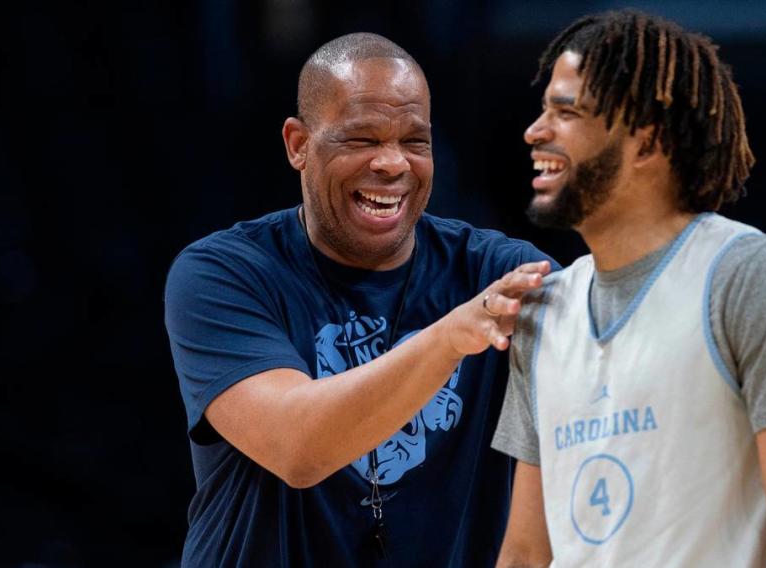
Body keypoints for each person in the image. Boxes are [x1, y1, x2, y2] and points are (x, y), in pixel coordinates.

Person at [164, 33, 555, 566]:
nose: (393, 163)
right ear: (298, 144)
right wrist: (451, 336)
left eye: (415, 142)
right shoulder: (223, 273)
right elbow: (297, 448)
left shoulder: (494, 271)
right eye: (361, 140)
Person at [491, 10, 766, 567]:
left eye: (566, 112)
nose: (535, 131)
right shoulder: (542, 310)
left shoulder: (759, 278)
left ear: (646, 143)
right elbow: (524, 553)